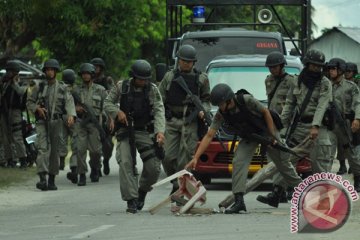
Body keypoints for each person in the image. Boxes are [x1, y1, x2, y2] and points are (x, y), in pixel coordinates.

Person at [185, 83, 302, 213]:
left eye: (221, 104)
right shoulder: (221, 113)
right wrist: (196, 158)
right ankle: (239, 201)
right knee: (238, 161)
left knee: (283, 164)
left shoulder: (245, 100)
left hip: (266, 132)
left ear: (229, 100)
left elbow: (266, 112)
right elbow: (209, 135)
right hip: (250, 136)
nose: (219, 107)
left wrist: (272, 136)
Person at [256, 49, 333, 207]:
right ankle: (277, 193)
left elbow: (322, 105)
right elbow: (289, 105)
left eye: (319, 66)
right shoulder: (297, 81)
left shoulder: (325, 83)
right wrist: (280, 128)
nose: (317, 69)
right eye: (313, 65)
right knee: (285, 159)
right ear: (307, 64)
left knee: (320, 163)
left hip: (319, 128)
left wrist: (315, 125)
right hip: (299, 127)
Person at [104, 59, 165, 213]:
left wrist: (159, 131)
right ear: (133, 76)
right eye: (140, 79)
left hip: (144, 131)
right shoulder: (121, 86)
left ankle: (142, 191)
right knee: (126, 163)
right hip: (125, 131)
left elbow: (159, 110)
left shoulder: (152, 89)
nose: (142, 81)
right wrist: (117, 112)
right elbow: (107, 103)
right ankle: (131, 200)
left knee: (153, 167)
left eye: (145, 79)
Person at [158, 44, 211, 194]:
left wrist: (203, 110)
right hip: (172, 120)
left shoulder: (202, 78)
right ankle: (176, 182)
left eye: (189, 61)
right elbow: (159, 99)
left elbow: (207, 100)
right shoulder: (169, 76)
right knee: (167, 157)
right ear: (178, 60)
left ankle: (181, 189)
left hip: (191, 122)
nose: (186, 63)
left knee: (185, 159)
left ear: (194, 62)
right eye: (183, 60)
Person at [27, 59, 76, 191]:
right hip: (42, 122)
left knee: (55, 151)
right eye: (47, 69)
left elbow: (69, 102)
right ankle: (42, 178)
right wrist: (37, 108)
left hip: (56, 122)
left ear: (55, 71)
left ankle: (52, 179)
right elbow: (29, 102)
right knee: (42, 149)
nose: (49, 72)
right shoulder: (39, 87)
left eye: (52, 70)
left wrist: (71, 115)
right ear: (45, 71)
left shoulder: (62, 87)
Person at [264, 51, 297, 202]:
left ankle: (281, 189)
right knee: (272, 157)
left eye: (275, 66)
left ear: (282, 65)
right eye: (270, 67)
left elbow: (294, 103)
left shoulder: (291, 81)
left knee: (283, 156)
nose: (272, 69)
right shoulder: (268, 80)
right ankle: (282, 190)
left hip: (285, 124)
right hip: (271, 122)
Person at [327, 58, 360, 192]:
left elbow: (358, 103)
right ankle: (325, 182)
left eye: (333, 68)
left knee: (351, 153)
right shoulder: (325, 85)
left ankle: (358, 178)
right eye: (329, 69)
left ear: (340, 70)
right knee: (327, 153)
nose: (331, 71)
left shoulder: (351, 86)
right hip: (329, 124)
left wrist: (357, 119)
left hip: (345, 124)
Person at [72, 63, 107, 186]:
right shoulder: (76, 90)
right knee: (80, 149)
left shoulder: (101, 90)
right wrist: (75, 109)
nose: (86, 76)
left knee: (96, 151)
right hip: (80, 123)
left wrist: (107, 120)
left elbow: (106, 107)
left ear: (92, 75)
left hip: (95, 124)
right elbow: (69, 105)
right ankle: (82, 174)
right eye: (84, 74)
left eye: (88, 73)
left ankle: (95, 168)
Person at [0, 60, 28, 168]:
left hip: (15, 112)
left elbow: (21, 92)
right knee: (5, 137)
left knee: (17, 137)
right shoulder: (5, 83)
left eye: (11, 71)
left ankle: (23, 160)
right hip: (4, 112)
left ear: (16, 72)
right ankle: (10, 160)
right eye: (8, 71)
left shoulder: (21, 82)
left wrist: (14, 83)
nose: (8, 73)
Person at [90, 57, 115, 176]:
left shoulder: (107, 80)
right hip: (93, 117)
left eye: (97, 67)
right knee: (94, 145)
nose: (95, 69)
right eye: (93, 67)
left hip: (105, 116)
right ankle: (96, 167)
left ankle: (106, 160)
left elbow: (113, 97)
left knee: (108, 144)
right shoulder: (88, 80)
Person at [58, 69, 79, 184]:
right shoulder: (76, 89)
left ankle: (61, 160)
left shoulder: (60, 88)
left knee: (62, 139)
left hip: (63, 117)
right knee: (75, 142)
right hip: (73, 118)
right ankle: (74, 167)